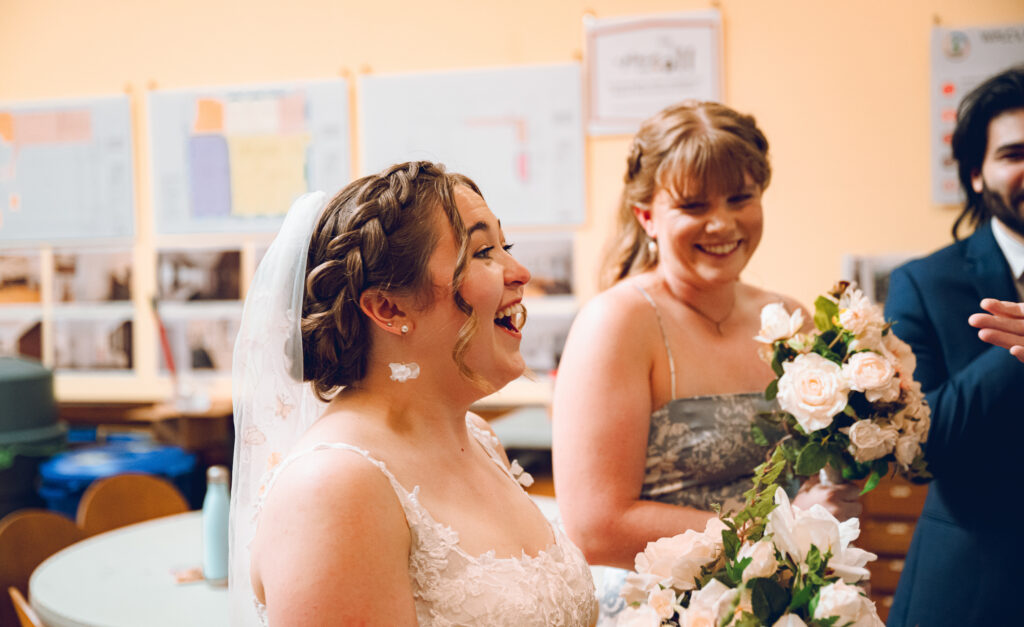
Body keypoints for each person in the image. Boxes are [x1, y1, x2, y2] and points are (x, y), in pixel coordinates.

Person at [229, 161, 598, 626]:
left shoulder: (479, 438)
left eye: (507, 247)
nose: (520, 272)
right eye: (483, 251)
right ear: (387, 307)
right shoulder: (334, 487)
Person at [551, 101, 860, 623]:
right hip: (662, 606)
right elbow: (596, 526)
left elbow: (818, 471)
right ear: (647, 215)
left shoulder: (791, 318)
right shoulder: (616, 324)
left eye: (741, 198)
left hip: (786, 602)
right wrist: (774, 530)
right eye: (694, 206)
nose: (722, 223)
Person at [884, 66, 1024, 626]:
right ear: (975, 175)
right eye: (1014, 153)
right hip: (972, 586)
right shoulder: (923, 284)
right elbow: (922, 443)